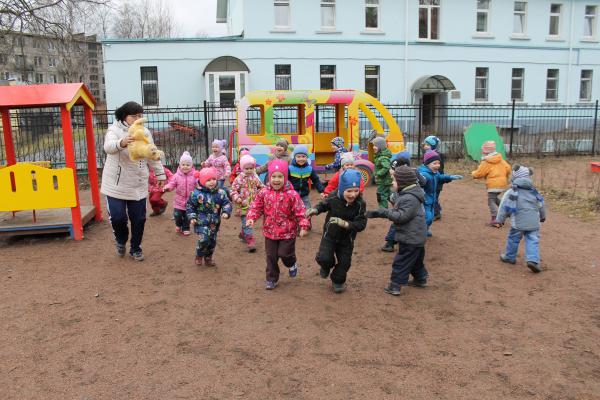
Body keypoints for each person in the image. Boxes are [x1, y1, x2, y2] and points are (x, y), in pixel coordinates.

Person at [101, 101, 167, 261]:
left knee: (139, 219)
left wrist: (160, 174)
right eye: (134, 116)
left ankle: (135, 248)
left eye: (140, 116)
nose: (138, 119)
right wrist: (122, 142)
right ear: (125, 116)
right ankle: (121, 240)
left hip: (137, 182)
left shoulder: (144, 132)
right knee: (118, 218)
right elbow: (108, 147)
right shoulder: (114, 130)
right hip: (116, 183)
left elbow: (151, 153)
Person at [246, 159, 310, 290]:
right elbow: (256, 206)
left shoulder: (292, 194)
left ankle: (291, 263)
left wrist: (304, 225)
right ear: (269, 177)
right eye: (273, 176)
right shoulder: (264, 192)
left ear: (285, 177)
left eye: (280, 176)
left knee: (285, 254)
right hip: (269, 232)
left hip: (288, 232)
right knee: (271, 256)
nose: (276, 180)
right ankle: (271, 279)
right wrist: (251, 217)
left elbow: (300, 211)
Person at [366, 165, 429, 296]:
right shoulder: (410, 194)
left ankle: (395, 285)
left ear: (402, 183)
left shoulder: (409, 198)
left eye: (394, 180)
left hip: (410, 237)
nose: (392, 183)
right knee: (415, 260)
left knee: (401, 262)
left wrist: (384, 212)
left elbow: (401, 216)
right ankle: (420, 279)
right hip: (416, 236)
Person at [306, 169, 367, 293]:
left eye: (356, 191)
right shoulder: (333, 196)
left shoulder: (360, 203)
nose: (353, 195)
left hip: (347, 239)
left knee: (345, 263)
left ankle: (338, 281)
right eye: (349, 191)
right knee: (324, 257)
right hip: (330, 235)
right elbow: (324, 205)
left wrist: (346, 224)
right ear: (342, 188)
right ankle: (326, 266)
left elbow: (361, 223)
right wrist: (315, 210)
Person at [496, 165, 545, 273]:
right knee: (532, 240)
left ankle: (510, 257)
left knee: (513, 239)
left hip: (518, 223)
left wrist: (500, 220)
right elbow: (541, 204)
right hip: (533, 223)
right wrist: (542, 216)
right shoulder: (534, 191)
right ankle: (533, 260)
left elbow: (503, 206)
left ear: (514, 177)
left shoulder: (511, 191)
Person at [186, 167, 232, 266]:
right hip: (201, 222)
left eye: (213, 179)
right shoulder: (196, 194)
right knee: (204, 239)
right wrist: (192, 217)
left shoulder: (220, 193)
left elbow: (227, 203)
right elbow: (190, 206)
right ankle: (199, 255)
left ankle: (208, 257)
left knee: (212, 242)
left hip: (214, 223)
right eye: (208, 180)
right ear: (202, 181)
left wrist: (226, 211)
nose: (212, 182)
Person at [380, 151, 424, 252]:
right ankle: (390, 242)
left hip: (404, 201)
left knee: (400, 221)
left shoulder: (405, 176)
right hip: (409, 201)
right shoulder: (413, 172)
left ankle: (390, 242)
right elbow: (423, 182)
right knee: (401, 221)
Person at [417, 150, 463, 236]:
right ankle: (419, 232)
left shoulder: (435, 172)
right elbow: (420, 182)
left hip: (432, 200)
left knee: (430, 218)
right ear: (427, 164)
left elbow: (440, 177)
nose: (437, 165)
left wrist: (450, 177)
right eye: (434, 163)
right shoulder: (424, 174)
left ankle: (425, 230)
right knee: (427, 218)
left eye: (438, 163)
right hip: (425, 200)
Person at [471, 141, 512, 227]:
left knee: (491, 201)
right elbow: (508, 168)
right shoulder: (500, 159)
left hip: (493, 184)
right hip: (502, 183)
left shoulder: (486, 161)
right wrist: (504, 176)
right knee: (494, 198)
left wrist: (473, 174)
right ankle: (506, 211)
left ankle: (496, 219)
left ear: (485, 151)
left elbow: (480, 173)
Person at [230, 154, 264, 252]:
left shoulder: (255, 177)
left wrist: (261, 193)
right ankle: (250, 241)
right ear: (242, 168)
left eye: (251, 168)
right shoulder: (239, 178)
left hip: (254, 205)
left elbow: (261, 187)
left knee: (249, 221)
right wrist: (237, 198)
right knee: (247, 222)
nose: (249, 170)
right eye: (247, 168)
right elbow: (233, 190)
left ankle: (243, 233)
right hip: (243, 205)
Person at [163, 151, 197, 236]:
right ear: (180, 165)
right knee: (177, 215)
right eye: (183, 164)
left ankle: (186, 228)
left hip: (190, 201)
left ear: (191, 165)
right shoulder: (176, 176)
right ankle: (178, 224)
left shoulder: (194, 175)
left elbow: (199, 183)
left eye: (188, 165)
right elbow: (172, 183)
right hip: (179, 200)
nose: (185, 166)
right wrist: (168, 187)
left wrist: (201, 185)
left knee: (187, 216)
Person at [288, 144, 325, 210]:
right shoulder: (290, 168)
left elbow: (316, 180)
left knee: (307, 210)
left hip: (304, 195)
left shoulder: (309, 169)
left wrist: (321, 190)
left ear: (307, 157)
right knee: (292, 209)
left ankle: (306, 216)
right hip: (292, 194)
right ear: (294, 157)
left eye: (303, 156)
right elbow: (286, 180)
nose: (301, 159)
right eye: (298, 157)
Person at [422, 135, 445, 220]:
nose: (425, 147)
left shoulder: (436, 156)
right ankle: (436, 209)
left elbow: (440, 169)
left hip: (436, 180)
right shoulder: (427, 154)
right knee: (431, 196)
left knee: (433, 197)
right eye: (425, 145)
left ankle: (436, 213)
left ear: (433, 146)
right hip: (430, 180)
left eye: (428, 145)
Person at [371, 136, 393, 209]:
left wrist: (378, 173)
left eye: (375, 145)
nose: (373, 147)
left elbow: (386, 167)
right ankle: (398, 202)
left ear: (380, 147)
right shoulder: (379, 156)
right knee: (388, 194)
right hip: (383, 181)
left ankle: (383, 210)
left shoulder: (383, 157)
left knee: (380, 195)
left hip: (384, 181)